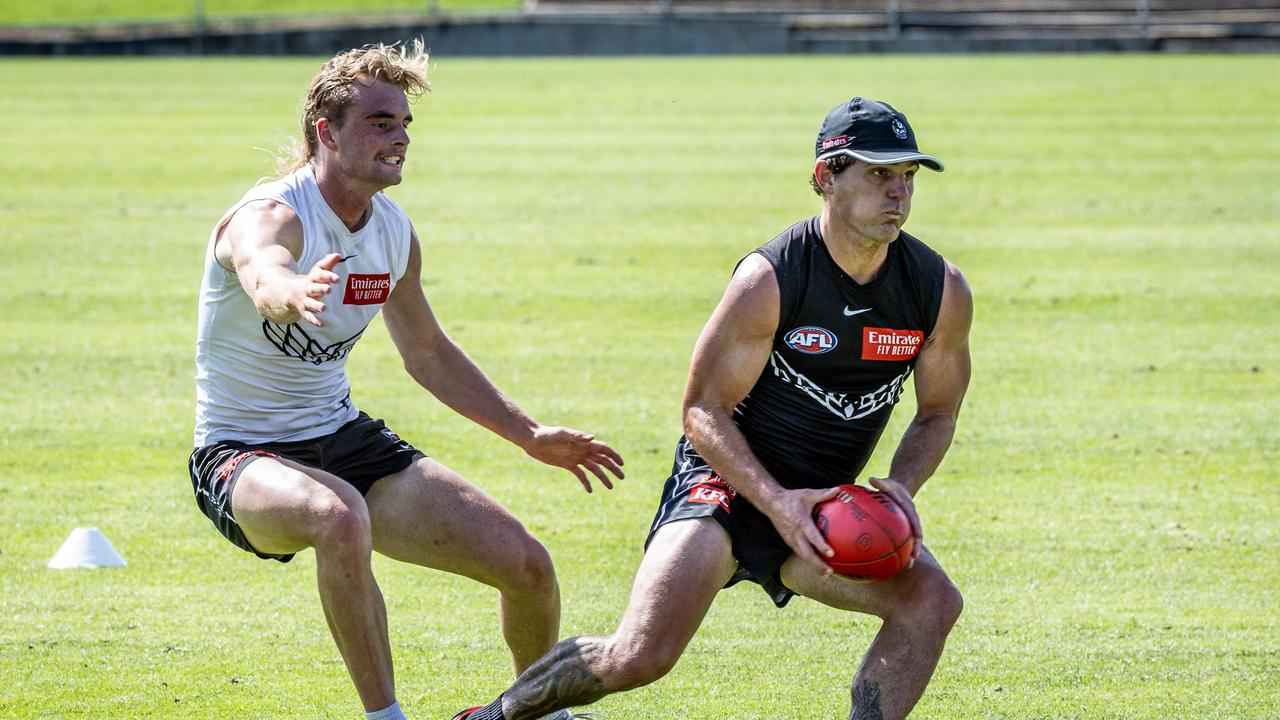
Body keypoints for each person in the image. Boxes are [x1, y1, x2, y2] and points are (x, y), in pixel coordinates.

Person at [452, 97, 972, 720]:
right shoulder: (772, 279)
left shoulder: (937, 290)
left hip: (822, 507)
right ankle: (497, 717)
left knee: (932, 600)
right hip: (724, 486)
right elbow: (702, 411)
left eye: (907, 177)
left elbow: (937, 413)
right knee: (639, 655)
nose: (898, 193)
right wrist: (776, 503)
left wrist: (901, 489)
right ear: (825, 177)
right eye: (878, 174)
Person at [187, 42, 624, 720]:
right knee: (336, 516)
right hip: (241, 456)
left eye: (404, 125)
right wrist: (290, 290)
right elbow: (261, 272)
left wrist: (530, 434)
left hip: (341, 439)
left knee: (529, 567)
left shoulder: (392, 232)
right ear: (326, 132)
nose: (399, 139)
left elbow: (428, 353)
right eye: (380, 123)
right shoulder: (274, 215)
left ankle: (540, 713)